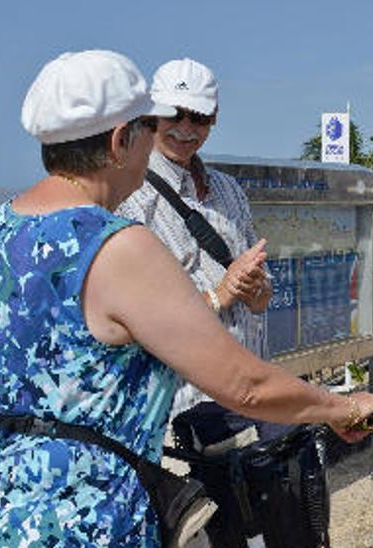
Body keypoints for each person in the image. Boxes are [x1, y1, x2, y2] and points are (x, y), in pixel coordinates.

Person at [0, 50, 373, 547]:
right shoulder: (116, 245)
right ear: (121, 140)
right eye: (148, 128)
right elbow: (242, 384)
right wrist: (341, 407)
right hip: (76, 519)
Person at [115, 58, 272, 424]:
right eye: (175, 115)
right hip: (181, 412)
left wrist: (256, 289)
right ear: (151, 117)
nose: (186, 128)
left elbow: (262, 299)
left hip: (251, 394)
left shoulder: (228, 189)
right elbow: (134, 323)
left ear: (214, 117)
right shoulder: (129, 198)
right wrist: (221, 294)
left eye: (198, 117)